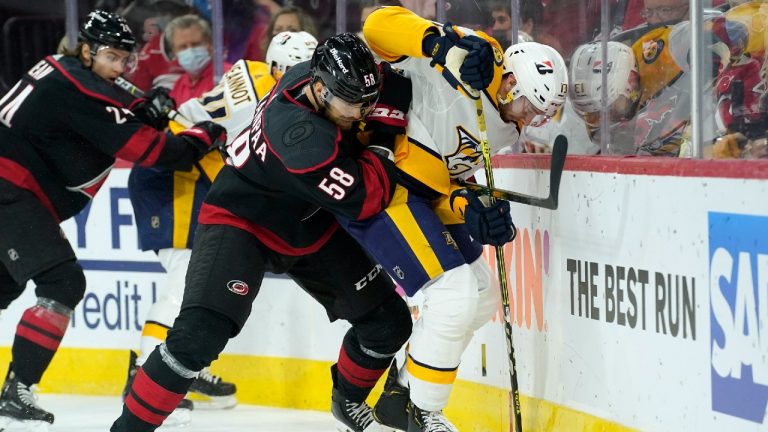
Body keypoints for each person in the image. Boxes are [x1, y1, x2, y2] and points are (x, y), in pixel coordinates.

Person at [111, 33, 413, 432]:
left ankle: (348, 400)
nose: (361, 111)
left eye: (367, 101)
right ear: (320, 89)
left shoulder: (312, 74)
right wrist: (385, 138)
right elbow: (366, 196)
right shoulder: (299, 137)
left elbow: (385, 73)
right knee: (198, 337)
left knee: (389, 322)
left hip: (304, 221)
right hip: (242, 222)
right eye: (353, 102)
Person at [0, 10, 226, 428]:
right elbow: (157, 152)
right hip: (9, 191)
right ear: (86, 50)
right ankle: (16, 393)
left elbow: (111, 98)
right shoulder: (79, 88)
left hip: (13, 191)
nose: (121, 68)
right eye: (112, 57)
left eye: (127, 59)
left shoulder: (62, 70)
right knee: (63, 280)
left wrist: (142, 105)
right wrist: (205, 135)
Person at [361, 6, 568, 431]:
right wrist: (438, 42)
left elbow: (446, 178)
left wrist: (474, 210)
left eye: (544, 114)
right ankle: (424, 413)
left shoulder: (509, 126)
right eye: (533, 107)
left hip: (421, 193)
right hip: (382, 180)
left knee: (482, 293)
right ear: (510, 83)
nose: (535, 121)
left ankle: (401, 395)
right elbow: (376, 26)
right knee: (453, 294)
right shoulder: (479, 56)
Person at [123, 30, 318, 417]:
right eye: (299, 72)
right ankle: (145, 376)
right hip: (174, 176)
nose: (309, 83)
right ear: (277, 68)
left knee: (198, 281)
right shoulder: (262, 94)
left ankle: (181, 370)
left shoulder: (275, 87)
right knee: (186, 280)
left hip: (191, 175)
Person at [166, 14, 230, 105]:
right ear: (174, 51)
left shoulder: (228, 74)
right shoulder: (179, 85)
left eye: (195, 44)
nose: (190, 51)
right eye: (183, 47)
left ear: (210, 43)